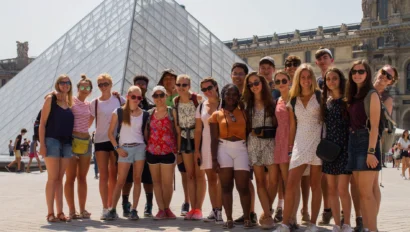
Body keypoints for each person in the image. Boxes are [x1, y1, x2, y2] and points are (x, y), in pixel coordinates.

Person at [274, 64, 322, 232]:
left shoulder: (320, 96)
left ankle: (313, 224)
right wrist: (290, 147)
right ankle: (285, 224)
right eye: (303, 77)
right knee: (291, 183)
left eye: (309, 77)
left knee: (315, 185)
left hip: (317, 143)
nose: (306, 80)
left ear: (313, 79)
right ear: (298, 79)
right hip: (300, 144)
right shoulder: (293, 99)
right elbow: (293, 126)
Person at [209, 84, 252, 229]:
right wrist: (214, 159)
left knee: (243, 186)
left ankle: (247, 218)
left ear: (239, 97)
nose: (231, 97)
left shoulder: (245, 113)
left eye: (234, 94)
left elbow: (249, 134)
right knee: (226, 186)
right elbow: (213, 139)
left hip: (241, 149)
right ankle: (229, 219)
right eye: (228, 94)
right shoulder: (216, 115)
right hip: (223, 149)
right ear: (223, 95)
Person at [345, 60, 381, 232]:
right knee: (361, 192)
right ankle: (368, 228)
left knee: (366, 193)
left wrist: (371, 152)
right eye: (354, 72)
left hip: (366, 143)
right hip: (353, 142)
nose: (357, 74)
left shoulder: (371, 94)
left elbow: (374, 126)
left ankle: (373, 230)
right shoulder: (353, 94)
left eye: (361, 71)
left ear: (367, 73)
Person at [106, 86, 148, 220]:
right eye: (133, 97)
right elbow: (110, 133)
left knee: (137, 179)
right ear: (128, 96)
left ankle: (134, 209)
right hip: (124, 149)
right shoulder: (118, 112)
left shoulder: (144, 114)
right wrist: (117, 148)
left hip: (139, 148)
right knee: (120, 180)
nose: (136, 100)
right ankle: (112, 209)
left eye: (139, 97)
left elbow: (145, 134)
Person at [242, 72, 277, 229]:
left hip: (270, 142)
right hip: (254, 142)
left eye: (256, 82)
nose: (254, 86)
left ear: (262, 83)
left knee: (274, 180)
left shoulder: (272, 103)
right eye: (250, 84)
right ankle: (268, 215)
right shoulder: (246, 105)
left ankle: (266, 210)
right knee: (260, 181)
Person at [320, 68, 353, 232]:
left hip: (345, 148)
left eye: (334, 78)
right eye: (328, 79)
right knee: (331, 189)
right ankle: (337, 224)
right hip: (329, 150)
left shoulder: (348, 101)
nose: (331, 82)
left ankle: (346, 223)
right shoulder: (326, 102)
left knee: (342, 189)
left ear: (340, 80)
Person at [39, 74, 75, 222]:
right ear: (57, 84)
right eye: (62, 82)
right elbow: (42, 123)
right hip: (52, 141)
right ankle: (50, 212)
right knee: (52, 178)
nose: (65, 84)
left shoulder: (69, 102)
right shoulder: (50, 99)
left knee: (60, 178)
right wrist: (42, 145)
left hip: (67, 143)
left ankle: (60, 212)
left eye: (68, 82)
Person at [119, 75, 155, 218]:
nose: (140, 86)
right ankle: (125, 203)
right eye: (138, 83)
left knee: (147, 178)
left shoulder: (151, 106)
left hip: (144, 147)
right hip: (127, 146)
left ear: (146, 87)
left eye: (143, 84)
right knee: (127, 178)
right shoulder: (125, 104)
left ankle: (149, 204)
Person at [90, 73, 125, 220]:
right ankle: (105, 207)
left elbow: (132, 110)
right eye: (100, 84)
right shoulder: (94, 103)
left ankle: (112, 206)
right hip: (100, 140)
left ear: (111, 85)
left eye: (106, 84)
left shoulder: (119, 99)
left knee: (113, 175)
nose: (103, 87)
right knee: (103, 176)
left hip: (115, 140)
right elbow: (89, 120)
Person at [158, 69, 190, 216]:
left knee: (185, 173)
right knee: (166, 177)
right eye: (166, 79)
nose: (169, 81)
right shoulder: (159, 96)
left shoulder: (181, 96)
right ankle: (165, 206)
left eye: (171, 78)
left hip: (182, 138)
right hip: (165, 140)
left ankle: (187, 201)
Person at [174, 74, 205, 220]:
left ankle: (199, 208)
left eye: (184, 85)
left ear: (189, 86)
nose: (181, 88)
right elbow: (178, 128)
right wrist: (178, 150)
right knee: (190, 175)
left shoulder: (197, 99)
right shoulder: (176, 100)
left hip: (198, 139)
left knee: (199, 175)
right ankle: (192, 208)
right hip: (185, 139)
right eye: (178, 85)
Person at [230, 63, 258, 225]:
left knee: (246, 179)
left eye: (241, 73)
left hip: (248, 141)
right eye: (235, 73)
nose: (238, 76)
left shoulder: (250, 96)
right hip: (233, 142)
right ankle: (247, 211)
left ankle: (251, 212)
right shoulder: (229, 94)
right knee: (240, 180)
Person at [145, 86, 178, 220]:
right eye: (156, 95)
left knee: (167, 183)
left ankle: (166, 207)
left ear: (166, 96)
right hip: (152, 151)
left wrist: (179, 151)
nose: (159, 98)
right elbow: (146, 132)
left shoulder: (172, 112)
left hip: (168, 151)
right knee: (156, 182)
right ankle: (161, 209)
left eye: (161, 95)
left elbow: (177, 130)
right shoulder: (149, 113)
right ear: (152, 98)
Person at [64, 74, 93, 220]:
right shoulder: (71, 101)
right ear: (77, 88)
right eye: (82, 86)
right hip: (72, 141)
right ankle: (71, 210)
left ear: (90, 90)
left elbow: (91, 120)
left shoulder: (90, 105)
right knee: (70, 178)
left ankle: (82, 209)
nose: (85, 88)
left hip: (86, 141)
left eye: (87, 87)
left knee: (82, 178)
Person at [194, 78, 223, 224]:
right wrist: (197, 150)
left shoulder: (225, 103)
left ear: (216, 86)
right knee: (211, 179)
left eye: (209, 87)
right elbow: (198, 129)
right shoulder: (200, 107)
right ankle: (216, 209)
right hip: (206, 145)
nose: (207, 91)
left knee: (222, 180)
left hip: (223, 144)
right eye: (204, 89)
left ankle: (220, 209)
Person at [315, 47, 335, 226]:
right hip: (320, 131)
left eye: (325, 57)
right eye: (319, 58)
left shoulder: (338, 79)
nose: (322, 60)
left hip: (336, 131)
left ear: (331, 60)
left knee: (340, 175)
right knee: (323, 175)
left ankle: (340, 210)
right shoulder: (316, 83)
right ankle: (327, 209)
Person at [272, 71, 291, 226]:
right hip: (280, 140)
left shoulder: (295, 98)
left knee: (292, 181)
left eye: (284, 80)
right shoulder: (278, 99)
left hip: (291, 141)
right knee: (285, 180)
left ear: (289, 81)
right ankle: (287, 212)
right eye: (278, 82)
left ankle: (292, 216)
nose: (281, 83)